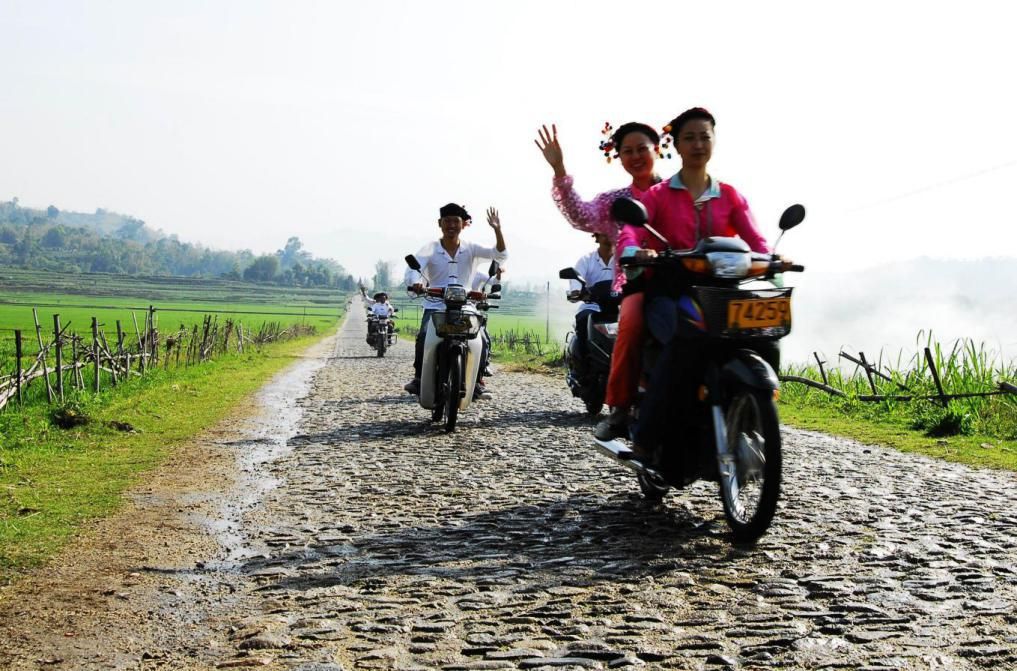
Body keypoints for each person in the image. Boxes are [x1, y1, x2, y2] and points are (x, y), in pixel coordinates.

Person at [613, 107, 773, 459]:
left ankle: (751, 410)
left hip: (722, 293)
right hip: (672, 291)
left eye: (704, 137)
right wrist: (636, 251)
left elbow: (756, 239)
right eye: (689, 138)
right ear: (676, 145)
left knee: (765, 336)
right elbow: (631, 232)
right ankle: (646, 436)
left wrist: (773, 258)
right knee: (684, 342)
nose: (698, 144)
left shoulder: (730, 195)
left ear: (714, 141)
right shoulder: (658, 195)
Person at [534, 121, 666, 436]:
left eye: (642, 149)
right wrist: (559, 170)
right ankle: (620, 407)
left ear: (657, 150)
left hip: (683, 283)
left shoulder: (677, 191)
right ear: (618, 157)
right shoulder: (616, 202)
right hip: (637, 287)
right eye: (627, 151)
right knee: (628, 332)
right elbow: (580, 214)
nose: (636, 156)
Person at [403, 203, 507, 396]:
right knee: (424, 335)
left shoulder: (472, 248)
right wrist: (416, 283)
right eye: (447, 221)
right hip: (435, 304)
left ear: (463, 224)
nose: (451, 225)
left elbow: (499, 254)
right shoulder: (429, 248)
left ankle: (477, 380)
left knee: (482, 339)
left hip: (465, 305)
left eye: (455, 221)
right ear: (440, 223)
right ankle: (419, 378)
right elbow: (413, 270)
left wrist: (497, 230)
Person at [567, 232, 615, 382]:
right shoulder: (586, 260)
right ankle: (581, 368)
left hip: (619, 307)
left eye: (612, 231)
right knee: (583, 320)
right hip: (593, 306)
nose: (609, 236)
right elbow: (576, 280)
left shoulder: (623, 260)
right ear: (597, 236)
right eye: (604, 232)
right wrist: (576, 291)